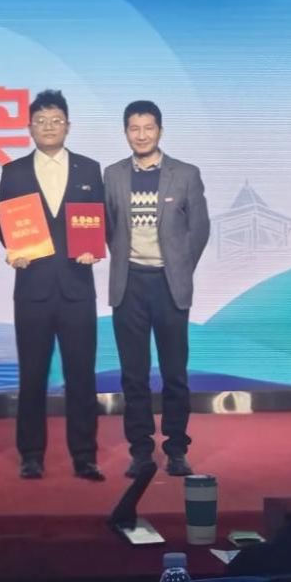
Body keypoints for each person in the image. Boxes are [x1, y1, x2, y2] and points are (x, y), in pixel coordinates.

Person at [0, 89, 105, 482]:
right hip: (33, 288)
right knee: (32, 376)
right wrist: (14, 250)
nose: (48, 127)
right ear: (29, 127)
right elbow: (4, 224)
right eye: (40, 121)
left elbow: (102, 219)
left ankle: (85, 456)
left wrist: (97, 247)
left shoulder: (89, 169)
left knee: (82, 376)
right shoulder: (14, 171)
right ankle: (31, 455)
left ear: (68, 126)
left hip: (77, 287)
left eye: (56, 121)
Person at [104, 100, 209, 478]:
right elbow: (108, 227)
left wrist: (178, 268)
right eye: (134, 128)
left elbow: (200, 229)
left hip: (169, 285)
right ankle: (141, 451)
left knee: (174, 372)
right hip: (129, 284)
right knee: (133, 375)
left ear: (160, 131)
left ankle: (177, 449)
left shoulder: (186, 174)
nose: (142, 135)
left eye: (148, 128)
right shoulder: (112, 175)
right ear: (125, 132)